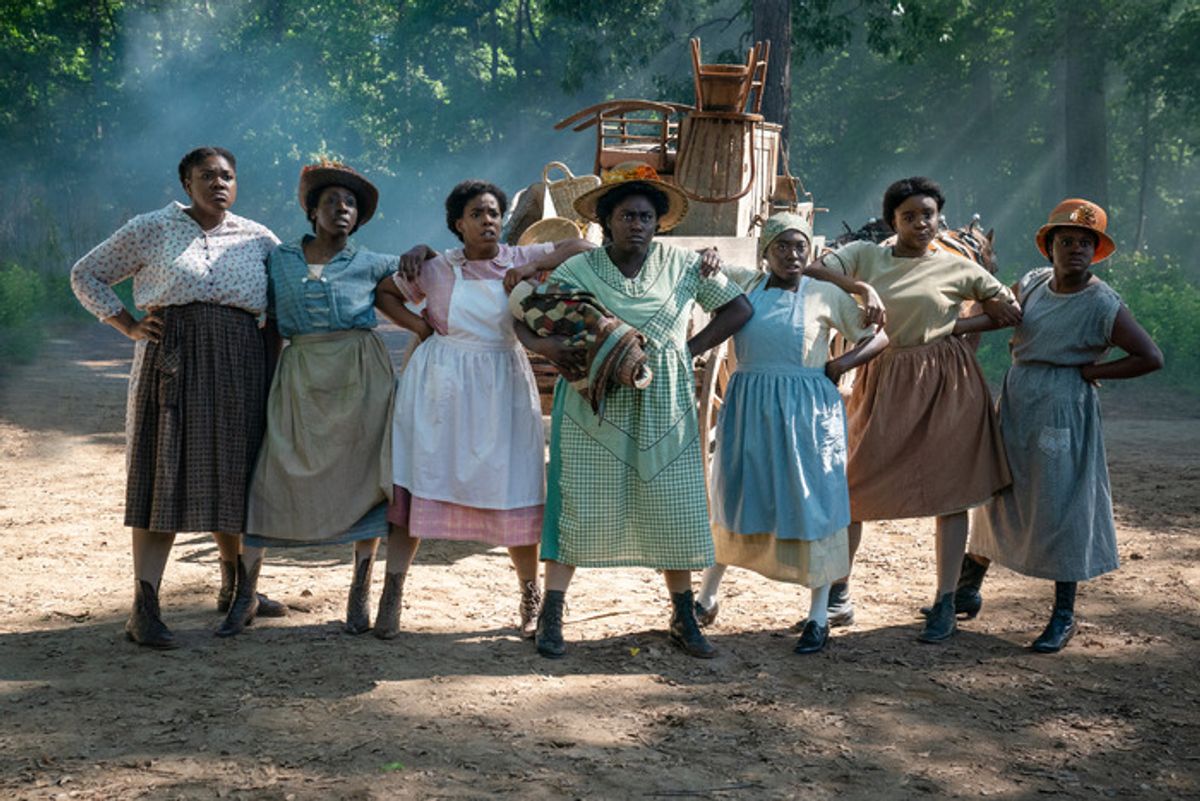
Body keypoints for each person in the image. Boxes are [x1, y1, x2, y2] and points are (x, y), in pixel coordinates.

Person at [516, 163, 753, 659]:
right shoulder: (578, 269)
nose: (638, 224)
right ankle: (552, 615)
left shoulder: (685, 265)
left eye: (646, 216)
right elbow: (528, 310)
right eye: (626, 216)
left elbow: (738, 308)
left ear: (659, 222)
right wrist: (548, 349)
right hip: (592, 401)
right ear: (606, 222)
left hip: (664, 400)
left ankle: (683, 615)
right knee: (577, 501)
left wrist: (688, 350)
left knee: (674, 503)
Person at [70, 146, 286, 648]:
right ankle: (144, 608)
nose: (219, 184)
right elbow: (86, 273)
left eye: (228, 176)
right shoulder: (153, 227)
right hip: (172, 361)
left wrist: (274, 370)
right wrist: (125, 323)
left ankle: (238, 588)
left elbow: (281, 306)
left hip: (242, 366)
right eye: (207, 176)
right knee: (161, 478)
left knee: (239, 473)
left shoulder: (258, 238)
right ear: (186, 184)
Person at [804, 176, 1022, 643]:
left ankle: (944, 601)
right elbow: (813, 269)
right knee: (854, 487)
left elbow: (1009, 310)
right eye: (909, 216)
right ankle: (839, 592)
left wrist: (957, 329)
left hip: (946, 383)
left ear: (939, 217)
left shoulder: (957, 267)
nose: (921, 224)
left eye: (928, 214)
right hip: (882, 378)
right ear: (892, 222)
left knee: (950, 492)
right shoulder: (867, 256)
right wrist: (863, 288)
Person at [377, 180, 594, 640]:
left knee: (514, 485)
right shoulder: (435, 266)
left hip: (501, 383)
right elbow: (385, 293)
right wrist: (421, 327)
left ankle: (530, 594)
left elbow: (582, 246)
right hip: (441, 384)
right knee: (419, 479)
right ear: (458, 224)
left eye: (494, 212)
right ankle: (391, 595)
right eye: (477, 213)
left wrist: (539, 261)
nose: (488, 220)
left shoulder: (518, 259)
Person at [218, 161, 423, 637]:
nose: (342, 210)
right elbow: (265, 318)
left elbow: (425, 271)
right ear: (312, 210)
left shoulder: (373, 262)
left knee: (369, 477)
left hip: (361, 374)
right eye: (332, 202)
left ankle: (360, 590)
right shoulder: (278, 258)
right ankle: (245, 593)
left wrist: (420, 248)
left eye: (350, 204)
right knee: (272, 475)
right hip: (300, 372)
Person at [957, 199, 1162, 653]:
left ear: (1096, 251)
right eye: (1066, 240)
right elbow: (1000, 316)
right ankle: (967, 588)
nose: (1075, 249)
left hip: (1064, 405)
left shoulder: (1102, 302)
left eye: (1085, 243)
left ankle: (1063, 614)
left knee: (1059, 501)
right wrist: (954, 325)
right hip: (1018, 396)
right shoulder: (1031, 283)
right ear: (1050, 246)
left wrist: (1093, 373)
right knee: (999, 489)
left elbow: (1150, 357)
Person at [693, 212, 888, 654]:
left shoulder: (825, 294)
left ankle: (819, 614)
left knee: (811, 499)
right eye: (782, 246)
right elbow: (707, 269)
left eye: (800, 247)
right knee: (738, 493)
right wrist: (709, 254)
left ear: (810, 252)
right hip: (749, 405)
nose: (792, 255)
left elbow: (877, 337)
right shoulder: (745, 282)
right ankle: (706, 596)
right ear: (766, 251)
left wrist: (839, 365)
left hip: (806, 410)